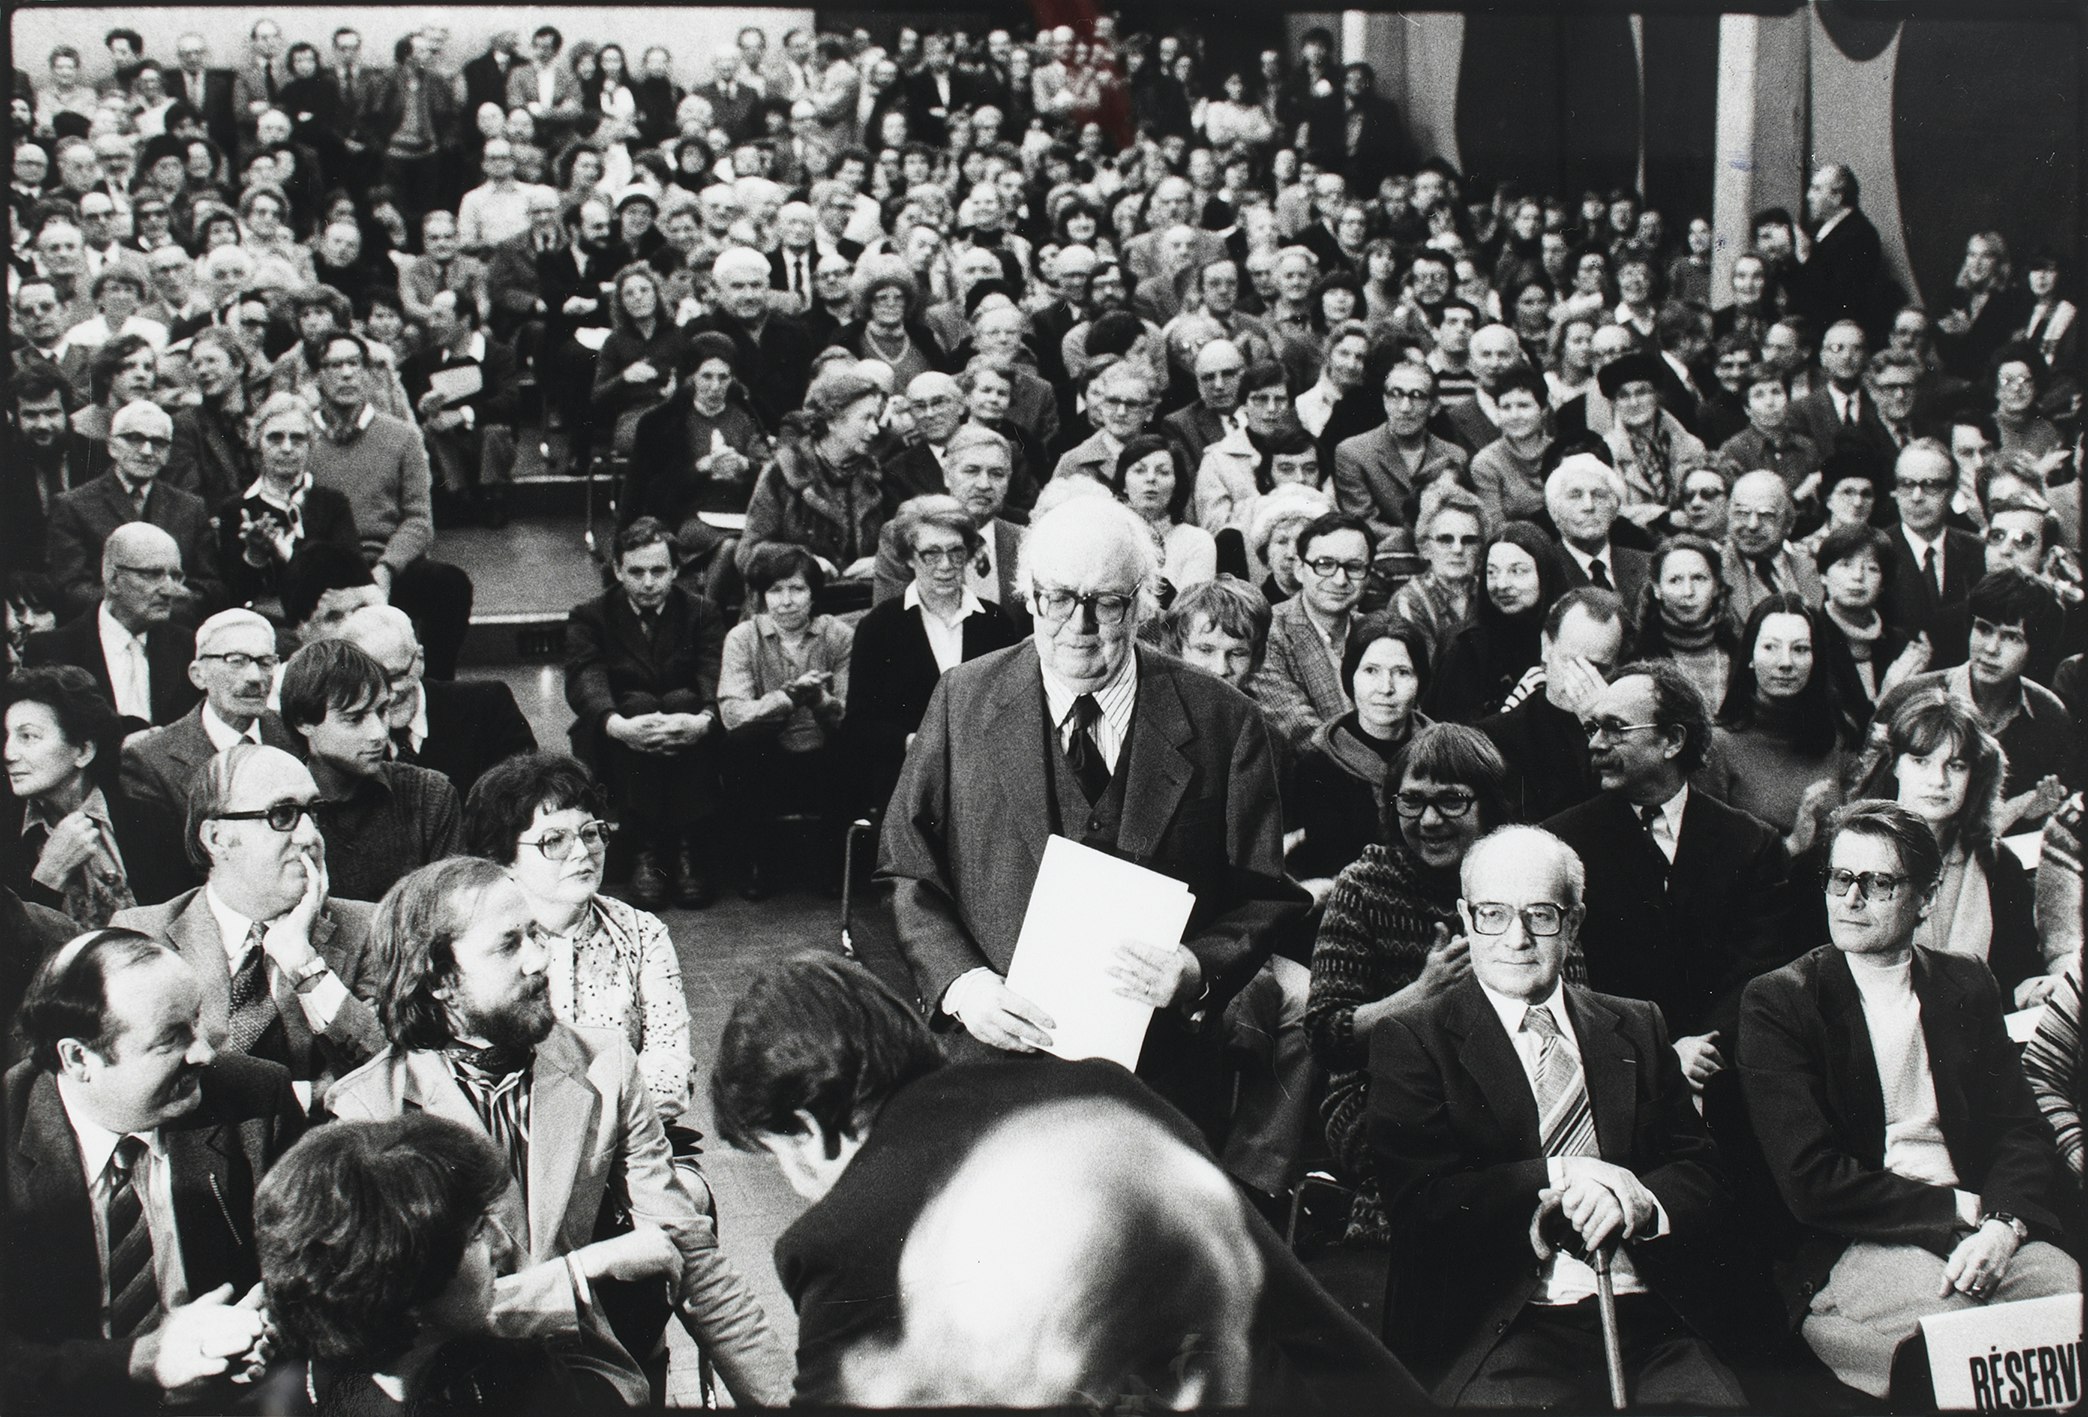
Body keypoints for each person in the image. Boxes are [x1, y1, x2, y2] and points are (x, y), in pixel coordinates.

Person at [708, 952, 1427, 1408]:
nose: (794, 1182)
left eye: (774, 1151)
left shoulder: (841, 1233)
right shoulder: (1100, 1085)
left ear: (808, 1123)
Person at [879, 494, 1305, 1137]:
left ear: (1139, 605)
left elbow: (1266, 893)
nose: (1078, 625)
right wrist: (964, 987)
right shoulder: (962, 700)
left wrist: (1197, 968)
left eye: (1104, 603)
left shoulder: (1223, 719)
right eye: (1057, 598)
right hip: (995, 1063)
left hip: (1161, 1075)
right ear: (1028, 596)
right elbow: (908, 868)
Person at [324, 858, 790, 1408]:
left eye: (536, 935)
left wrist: (787, 1403)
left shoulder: (604, 1062)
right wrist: (578, 1273)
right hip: (448, 1393)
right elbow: (403, 1326)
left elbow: (694, 1259)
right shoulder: (369, 1112)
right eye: (509, 945)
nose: (541, 959)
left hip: (584, 1377)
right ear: (442, 981)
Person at [1366, 824, 1750, 1408]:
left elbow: (1703, 1173)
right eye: (1493, 914)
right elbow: (1421, 1204)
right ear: (1467, 919)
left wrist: (1641, 1202)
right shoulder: (1415, 1039)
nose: (1516, 938)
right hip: (1508, 1325)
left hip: (1649, 1313)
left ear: (1573, 924)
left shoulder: (1636, 1024)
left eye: (1541, 915)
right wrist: (1567, 1174)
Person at [1738, 801, 2080, 1402]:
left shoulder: (1966, 980)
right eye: (1841, 878)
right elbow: (1811, 1179)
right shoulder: (1781, 1002)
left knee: (2064, 1292)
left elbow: (2020, 1131)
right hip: (1858, 1235)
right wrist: (1957, 1209)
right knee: (1960, 1333)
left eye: (1879, 883)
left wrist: (2002, 1224)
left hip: (1979, 1222)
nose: (1851, 899)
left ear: (1925, 898)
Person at [2, 929, 303, 1414]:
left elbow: (314, 1261)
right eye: (171, 1038)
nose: (204, 1052)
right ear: (79, 1058)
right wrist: (140, 1362)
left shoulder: (254, 1098)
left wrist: (269, 1326)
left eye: (197, 1020)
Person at [1305, 724, 1516, 1238]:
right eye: (1412, 802)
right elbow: (1325, 1035)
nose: (1429, 820)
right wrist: (1421, 996)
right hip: (1376, 1094)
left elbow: (1572, 1001)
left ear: (1488, 804)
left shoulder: (1522, 879)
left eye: (1451, 802)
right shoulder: (1363, 885)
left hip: (1500, 1088)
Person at [1545, 661, 1791, 1100]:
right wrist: (1657, 1053)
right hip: (1610, 1079)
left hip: (1719, 1076)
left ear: (1673, 740)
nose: (1597, 744)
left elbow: (1757, 973)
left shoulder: (1752, 844)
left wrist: (1698, 1048)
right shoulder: (1562, 844)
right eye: (1592, 728)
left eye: (1616, 728)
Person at [256, 1114, 606, 1415]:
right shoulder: (282, 1405)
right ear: (403, 1276)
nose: (502, 1245)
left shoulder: (525, 1375)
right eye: (477, 1233)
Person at [110, 741, 380, 1106]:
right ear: (217, 838)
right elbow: (138, 1082)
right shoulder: (141, 936)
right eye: (282, 815)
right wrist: (301, 1096)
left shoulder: (369, 928)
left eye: (313, 812)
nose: (309, 836)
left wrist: (304, 964)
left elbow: (384, 1074)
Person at [462, 752, 696, 1126]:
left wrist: (607, 1130)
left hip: (632, 1134)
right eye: (554, 840)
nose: (582, 852)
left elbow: (668, 1060)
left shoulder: (642, 933)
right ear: (501, 857)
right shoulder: (479, 943)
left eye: (590, 833)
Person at [563, 518, 727, 911]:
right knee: (636, 704)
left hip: (687, 724)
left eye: (659, 570)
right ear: (617, 570)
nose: (649, 582)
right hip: (619, 733)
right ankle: (646, 851)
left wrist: (703, 719)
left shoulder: (702, 610)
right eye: (636, 572)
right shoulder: (591, 615)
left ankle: (687, 849)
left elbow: (714, 669)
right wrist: (618, 724)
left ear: (675, 570)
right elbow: (586, 676)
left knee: (683, 701)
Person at [844, 495, 1020, 819]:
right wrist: (912, 742)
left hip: (986, 784)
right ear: (909, 558)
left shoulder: (995, 622)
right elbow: (858, 725)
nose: (945, 565)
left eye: (956, 551)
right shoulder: (880, 626)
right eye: (931, 553)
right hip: (907, 785)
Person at [1875, 570, 2077, 830]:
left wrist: (2034, 814)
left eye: (2011, 637)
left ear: (2035, 649)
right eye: (1984, 628)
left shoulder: (2050, 716)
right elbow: (1867, 799)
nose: (1991, 648)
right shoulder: (1907, 699)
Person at [278, 639, 461, 904]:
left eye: (382, 711)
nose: (379, 733)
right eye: (354, 718)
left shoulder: (429, 796)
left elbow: (448, 914)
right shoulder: (279, 814)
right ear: (304, 722)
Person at [3, 665, 187, 927]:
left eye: (28, 736)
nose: (9, 754)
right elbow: (10, 954)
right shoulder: (6, 834)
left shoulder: (150, 820)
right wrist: (48, 877)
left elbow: (182, 926)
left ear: (83, 751)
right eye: (8, 736)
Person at [718, 542, 853, 898]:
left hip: (823, 753)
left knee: (853, 742)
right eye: (775, 591)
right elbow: (733, 714)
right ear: (762, 597)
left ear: (813, 594)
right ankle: (755, 863)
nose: (786, 601)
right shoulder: (742, 638)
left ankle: (832, 865)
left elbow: (849, 712)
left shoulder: (838, 636)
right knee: (740, 744)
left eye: (797, 589)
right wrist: (787, 698)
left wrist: (820, 700)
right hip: (770, 756)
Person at [117, 607, 299, 836]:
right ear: (198, 675)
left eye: (265, 662)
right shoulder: (150, 762)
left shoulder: (298, 736)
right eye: (236, 661)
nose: (255, 677)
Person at [45, 400, 223, 620]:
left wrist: (168, 605)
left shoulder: (191, 507)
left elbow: (211, 587)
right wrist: (136, 604)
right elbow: (69, 589)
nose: (147, 451)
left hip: (172, 631)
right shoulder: (73, 505)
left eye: (158, 442)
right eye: (134, 438)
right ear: (111, 446)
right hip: (104, 633)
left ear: (168, 453)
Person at [336, 605, 536, 800]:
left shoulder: (487, 705)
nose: (388, 694)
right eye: (372, 682)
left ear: (419, 659)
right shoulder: (345, 733)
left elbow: (525, 795)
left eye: (396, 676)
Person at [1290, 616, 1431, 883]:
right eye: (1371, 671)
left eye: (1402, 672)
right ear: (1350, 677)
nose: (1386, 688)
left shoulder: (1443, 755)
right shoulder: (1319, 766)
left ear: (1420, 680)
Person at [23, 523, 201, 731]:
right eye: (153, 574)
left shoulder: (189, 647)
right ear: (113, 578)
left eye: (176, 576)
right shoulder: (52, 651)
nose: (170, 590)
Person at [1705, 595, 1855, 837]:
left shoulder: (1838, 733)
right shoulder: (1718, 744)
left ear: (1815, 660)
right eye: (1770, 647)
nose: (1786, 662)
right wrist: (1791, 846)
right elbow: (1709, 854)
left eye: (1800, 649)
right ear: (1750, 658)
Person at [1477, 588, 1626, 822]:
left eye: (1600, 668)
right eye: (1571, 661)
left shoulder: (1629, 731)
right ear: (1547, 646)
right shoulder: (1497, 735)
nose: (1582, 677)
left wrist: (1598, 726)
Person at [739, 365, 886, 586]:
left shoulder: (874, 476)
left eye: (876, 419)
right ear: (833, 422)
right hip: (794, 603)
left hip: (858, 601)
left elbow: (898, 546)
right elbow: (748, 553)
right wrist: (803, 563)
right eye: (866, 419)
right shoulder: (785, 471)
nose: (875, 430)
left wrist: (882, 562)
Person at [215, 391, 361, 609]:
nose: (286, 448)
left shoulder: (332, 504)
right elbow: (233, 595)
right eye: (275, 438)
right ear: (256, 442)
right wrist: (254, 556)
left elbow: (347, 578)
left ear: (310, 444)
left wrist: (283, 551)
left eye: (297, 438)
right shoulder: (236, 508)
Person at [1252, 511, 1375, 748]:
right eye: (1325, 565)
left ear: (1369, 574)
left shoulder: (1375, 632)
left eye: (1354, 567)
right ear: (1299, 568)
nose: (1340, 579)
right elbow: (1302, 732)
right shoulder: (1267, 631)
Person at [1425, 520, 1570, 722]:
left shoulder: (1567, 637)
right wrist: (1512, 712)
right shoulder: (1467, 646)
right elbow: (1454, 740)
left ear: (1545, 575)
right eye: (1492, 572)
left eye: (1516, 571)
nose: (1501, 584)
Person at [1332, 360, 1468, 553]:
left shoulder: (1454, 456)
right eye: (1395, 394)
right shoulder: (1352, 452)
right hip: (1380, 555)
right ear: (1384, 400)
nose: (1405, 407)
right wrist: (1419, 538)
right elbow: (1362, 521)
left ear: (1434, 406)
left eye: (1417, 396)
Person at [1879, 440, 1985, 670]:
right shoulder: (1876, 551)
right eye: (1906, 484)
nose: (1917, 496)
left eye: (1930, 485)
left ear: (1951, 491)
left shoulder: (1977, 551)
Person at [1626, 534, 1740, 716]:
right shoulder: (1639, 658)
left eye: (1699, 578)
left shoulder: (1738, 654)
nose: (1688, 592)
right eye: (1675, 580)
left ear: (1716, 586)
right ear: (1657, 589)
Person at [1387, 482, 1484, 668]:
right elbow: (1428, 676)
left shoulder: (1490, 592)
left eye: (1469, 540)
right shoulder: (1410, 602)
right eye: (1445, 539)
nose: (1457, 549)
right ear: (1425, 548)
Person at [1111, 435, 1216, 593]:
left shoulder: (1196, 541)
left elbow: (1191, 610)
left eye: (1163, 472)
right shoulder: (1111, 537)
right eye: (1140, 471)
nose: (1151, 478)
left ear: (1177, 485)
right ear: (1123, 483)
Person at [1547, 452, 1651, 606]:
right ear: (1554, 511)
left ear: (1615, 509)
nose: (1589, 506)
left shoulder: (1648, 565)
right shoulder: (1545, 572)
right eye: (1575, 496)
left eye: (1599, 495)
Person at [1722, 469, 1824, 624]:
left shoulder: (1812, 569)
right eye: (1742, 513)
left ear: (1789, 523)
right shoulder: (1716, 570)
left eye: (1766, 515)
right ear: (1728, 516)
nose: (1752, 525)